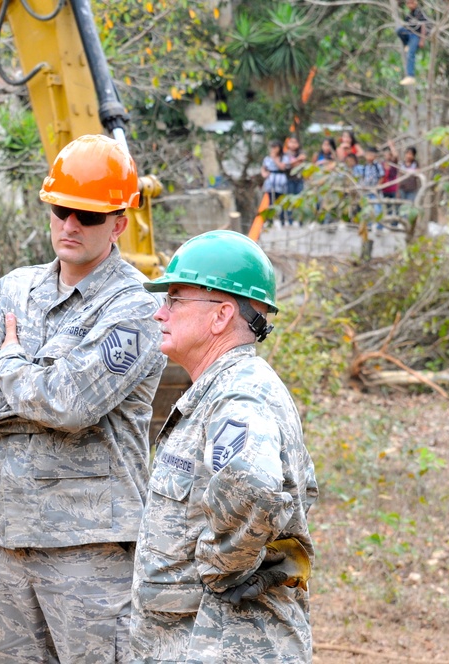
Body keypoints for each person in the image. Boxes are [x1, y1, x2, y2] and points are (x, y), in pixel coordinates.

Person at [0, 134, 167, 663]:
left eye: (88, 216)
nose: (70, 225)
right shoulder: (14, 290)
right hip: (10, 538)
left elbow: (70, 404)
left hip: (91, 550)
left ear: (119, 222)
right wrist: (44, 395)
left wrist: (8, 365)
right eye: (61, 210)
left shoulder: (136, 308)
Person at [129, 230, 319, 664]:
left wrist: (219, 568)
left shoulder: (238, 396)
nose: (161, 314)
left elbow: (254, 487)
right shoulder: (225, 389)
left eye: (175, 299)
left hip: (222, 644)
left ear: (220, 316)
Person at [397, 0, 431, 86]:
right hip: (409, 35)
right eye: (408, 3)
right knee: (399, 30)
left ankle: (410, 76)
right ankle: (407, 45)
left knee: (410, 54)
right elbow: (405, 26)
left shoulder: (419, 13)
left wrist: (422, 40)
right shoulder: (409, 15)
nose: (409, 5)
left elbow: (424, 26)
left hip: (416, 36)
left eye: (411, 3)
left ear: (415, 3)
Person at [260, 139, 289, 226]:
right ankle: (270, 220)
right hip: (270, 180)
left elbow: (282, 167)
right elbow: (264, 168)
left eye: (275, 147)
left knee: (280, 201)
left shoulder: (284, 158)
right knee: (270, 202)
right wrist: (264, 174)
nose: (273, 149)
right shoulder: (267, 159)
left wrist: (275, 159)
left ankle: (282, 219)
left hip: (280, 180)